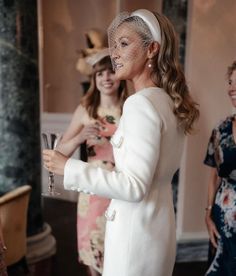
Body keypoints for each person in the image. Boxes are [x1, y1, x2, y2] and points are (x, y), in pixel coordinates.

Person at [43, 9, 199, 276]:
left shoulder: (140, 105)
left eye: (123, 44)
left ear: (152, 49)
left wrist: (69, 167)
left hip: (134, 236)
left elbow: (134, 186)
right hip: (157, 226)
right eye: (114, 45)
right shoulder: (166, 101)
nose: (114, 53)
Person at [56, 48, 128, 276]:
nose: (106, 78)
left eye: (110, 72)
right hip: (92, 190)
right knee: (93, 247)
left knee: (119, 249)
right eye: (100, 74)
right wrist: (80, 136)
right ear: (94, 79)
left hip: (121, 188)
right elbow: (60, 152)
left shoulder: (130, 108)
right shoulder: (85, 110)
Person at [204, 61, 236, 276]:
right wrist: (208, 214)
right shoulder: (220, 129)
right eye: (230, 82)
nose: (231, 88)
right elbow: (214, 174)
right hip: (222, 217)